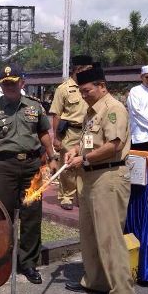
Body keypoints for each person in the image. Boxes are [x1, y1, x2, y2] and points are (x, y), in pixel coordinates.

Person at [64, 65, 136, 294]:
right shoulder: (91, 112)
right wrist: (76, 150)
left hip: (109, 176)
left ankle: (123, 290)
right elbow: (88, 141)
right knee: (90, 234)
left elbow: (113, 145)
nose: (84, 95)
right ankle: (95, 281)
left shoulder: (114, 109)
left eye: (87, 91)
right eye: (81, 92)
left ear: (101, 86)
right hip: (91, 177)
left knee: (108, 236)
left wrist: (83, 159)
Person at [0, 64, 57, 284]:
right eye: (5, 84)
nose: (9, 87)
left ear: (22, 82)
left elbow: (43, 133)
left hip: (32, 166)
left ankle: (28, 263)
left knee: (32, 215)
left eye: (13, 83)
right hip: (5, 167)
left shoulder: (34, 106)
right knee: (2, 215)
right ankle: (2, 260)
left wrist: (51, 156)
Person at [48, 54, 92, 210]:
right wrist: (56, 138)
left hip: (88, 132)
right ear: (78, 69)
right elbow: (56, 114)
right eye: (87, 69)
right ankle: (66, 196)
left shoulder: (90, 86)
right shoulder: (64, 89)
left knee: (85, 162)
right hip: (70, 131)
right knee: (68, 165)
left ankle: (81, 194)